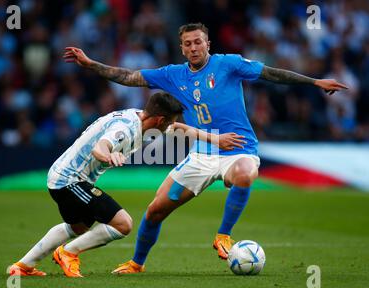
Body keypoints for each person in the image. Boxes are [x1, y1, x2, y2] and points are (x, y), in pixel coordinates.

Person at [63, 22, 348, 274]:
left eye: (198, 41)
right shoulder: (173, 74)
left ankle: (223, 235)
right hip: (201, 154)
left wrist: (314, 82)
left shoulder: (229, 64)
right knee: (154, 212)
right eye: (188, 44)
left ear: (207, 44)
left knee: (246, 173)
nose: (194, 47)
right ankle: (137, 263)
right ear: (182, 48)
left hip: (239, 147)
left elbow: (271, 74)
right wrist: (91, 64)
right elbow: (129, 76)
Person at [7, 92, 244, 277]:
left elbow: (180, 129)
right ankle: (68, 253)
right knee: (123, 224)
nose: (171, 125)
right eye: (169, 121)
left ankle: (22, 266)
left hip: (64, 177)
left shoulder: (140, 117)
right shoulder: (125, 129)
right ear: (160, 119)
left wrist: (215, 139)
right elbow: (101, 147)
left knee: (78, 228)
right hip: (70, 180)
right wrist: (108, 155)